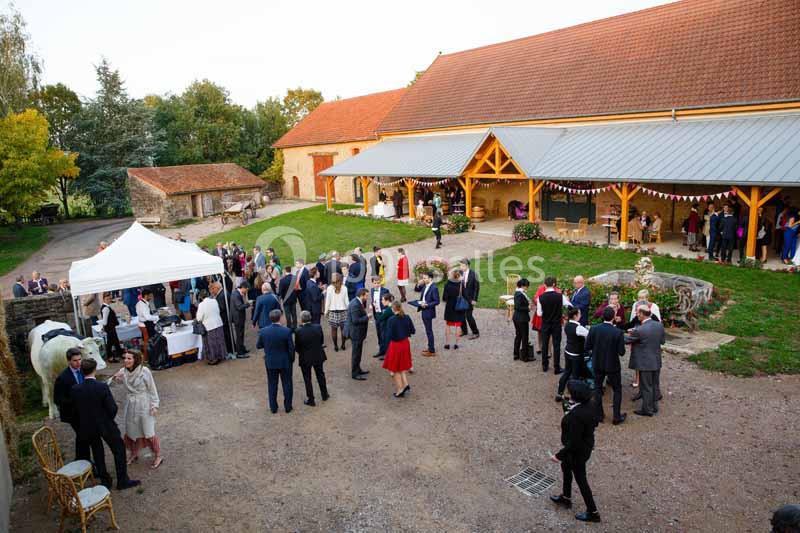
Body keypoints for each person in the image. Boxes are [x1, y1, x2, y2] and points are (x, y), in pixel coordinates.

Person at [71, 358, 140, 490]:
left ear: (81, 371)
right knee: (118, 449)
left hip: (89, 426)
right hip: (105, 424)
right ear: (94, 370)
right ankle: (122, 480)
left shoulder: (75, 389)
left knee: (98, 453)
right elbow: (112, 408)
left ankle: (105, 480)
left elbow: (75, 410)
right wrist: (107, 419)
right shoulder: (101, 387)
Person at [549, 380, 601, 523]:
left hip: (577, 451)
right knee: (565, 467)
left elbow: (574, 442)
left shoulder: (576, 416)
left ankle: (593, 512)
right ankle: (566, 497)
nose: (568, 395)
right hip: (585, 446)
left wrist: (559, 455)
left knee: (581, 479)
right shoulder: (589, 406)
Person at [109, 350, 163, 469]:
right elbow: (111, 385)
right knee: (131, 431)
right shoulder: (123, 372)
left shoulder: (144, 371)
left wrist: (155, 405)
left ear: (136, 360)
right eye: (125, 358)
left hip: (144, 404)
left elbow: (152, 389)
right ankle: (134, 453)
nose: (126, 361)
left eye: (129, 358)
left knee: (148, 431)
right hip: (130, 404)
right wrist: (114, 378)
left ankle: (158, 455)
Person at [587, 306, 627, 425]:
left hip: (598, 363)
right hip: (612, 365)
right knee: (617, 390)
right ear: (613, 317)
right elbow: (622, 352)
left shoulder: (594, 329)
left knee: (598, 389)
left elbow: (587, 346)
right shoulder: (618, 332)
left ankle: (599, 415)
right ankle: (616, 416)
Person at [628, 305, 665, 417]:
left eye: (637, 313)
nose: (636, 315)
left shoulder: (639, 330)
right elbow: (662, 341)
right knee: (654, 384)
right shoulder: (659, 326)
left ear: (642, 314)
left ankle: (647, 410)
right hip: (656, 360)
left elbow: (627, 340)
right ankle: (654, 407)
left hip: (645, 362)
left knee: (646, 386)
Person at [256, 309, 294, 414]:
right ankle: (288, 406)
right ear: (280, 318)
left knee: (272, 384)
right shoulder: (286, 331)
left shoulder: (263, 331)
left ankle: (273, 407)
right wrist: (291, 359)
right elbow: (291, 348)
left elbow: (258, 345)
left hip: (270, 361)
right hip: (284, 361)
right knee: (287, 384)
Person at [53, 348, 87, 460]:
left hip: (85, 410)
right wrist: (75, 400)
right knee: (83, 435)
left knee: (84, 436)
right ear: (68, 361)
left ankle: (82, 460)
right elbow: (58, 399)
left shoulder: (84, 370)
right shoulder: (62, 378)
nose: (78, 363)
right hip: (73, 413)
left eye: (80, 359)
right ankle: (83, 461)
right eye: (75, 360)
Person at [293, 310, 329, 406]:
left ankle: (311, 399)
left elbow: (297, 346)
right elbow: (321, 341)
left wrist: (301, 352)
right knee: (320, 375)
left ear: (301, 320)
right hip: (318, 355)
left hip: (305, 357)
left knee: (307, 378)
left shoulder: (298, 331)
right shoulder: (318, 327)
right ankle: (324, 394)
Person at [537, 276, 570, 374]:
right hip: (556, 324)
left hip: (546, 324)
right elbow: (569, 305)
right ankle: (556, 367)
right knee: (556, 345)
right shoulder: (560, 296)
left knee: (545, 345)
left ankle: (545, 365)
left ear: (545, 285)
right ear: (554, 284)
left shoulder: (541, 297)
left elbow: (539, 313)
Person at [383, 300, 415, 397]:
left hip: (396, 345)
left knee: (395, 368)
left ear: (393, 309)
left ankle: (400, 389)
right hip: (405, 343)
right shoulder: (407, 317)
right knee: (402, 366)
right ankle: (405, 384)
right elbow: (413, 331)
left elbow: (388, 335)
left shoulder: (391, 320)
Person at [556, 308, 589, 401]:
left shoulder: (567, 325)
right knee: (575, 376)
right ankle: (573, 397)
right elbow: (589, 335)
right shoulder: (579, 328)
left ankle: (559, 392)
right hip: (576, 354)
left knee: (567, 372)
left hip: (568, 351)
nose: (581, 316)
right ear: (575, 316)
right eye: (579, 314)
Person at [196, 287, 227, 365]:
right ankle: (221, 355)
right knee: (219, 341)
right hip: (218, 323)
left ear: (200, 297)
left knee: (211, 343)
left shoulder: (201, 305)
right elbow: (218, 310)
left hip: (209, 326)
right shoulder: (214, 300)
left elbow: (199, 318)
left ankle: (213, 359)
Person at [413, 270, 440, 357]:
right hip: (424, 309)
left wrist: (427, 304)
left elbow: (437, 301)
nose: (423, 279)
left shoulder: (434, 288)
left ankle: (431, 350)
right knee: (428, 330)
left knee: (429, 331)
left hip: (428, 311)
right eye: (423, 278)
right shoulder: (425, 285)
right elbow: (417, 289)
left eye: (425, 278)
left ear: (430, 278)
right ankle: (429, 347)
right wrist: (418, 283)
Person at [346, 288, 370, 380]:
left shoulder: (357, 302)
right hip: (356, 333)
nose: (367, 297)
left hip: (358, 333)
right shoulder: (355, 304)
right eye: (366, 296)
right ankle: (355, 373)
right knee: (356, 353)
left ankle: (358, 369)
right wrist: (367, 317)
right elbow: (355, 320)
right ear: (362, 295)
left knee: (358, 352)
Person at [324, 273, 349, 352]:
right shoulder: (344, 288)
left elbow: (328, 301)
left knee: (334, 330)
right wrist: (349, 310)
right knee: (343, 330)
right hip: (343, 311)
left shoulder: (329, 288)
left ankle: (335, 346)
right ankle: (343, 345)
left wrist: (325, 311)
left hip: (333, 311)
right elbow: (347, 301)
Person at [442, 269, 465, 350]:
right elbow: (464, 296)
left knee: (448, 325)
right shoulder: (461, 285)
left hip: (449, 308)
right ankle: (457, 344)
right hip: (459, 307)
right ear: (459, 276)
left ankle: (447, 344)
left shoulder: (447, 284)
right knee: (458, 326)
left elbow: (444, 298)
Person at [98, 292, 123, 363]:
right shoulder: (106, 308)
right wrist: (99, 323)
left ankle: (120, 354)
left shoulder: (106, 307)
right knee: (110, 343)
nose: (109, 300)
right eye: (107, 299)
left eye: (110, 299)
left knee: (115, 341)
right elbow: (105, 321)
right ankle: (110, 357)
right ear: (103, 299)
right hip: (110, 328)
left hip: (110, 327)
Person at [211, 281, 234, 359]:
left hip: (224, 319)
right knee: (228, 335)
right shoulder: (222, 293)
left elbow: (222, 308)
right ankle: (231, 349)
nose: (212, 290)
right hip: (225, 318)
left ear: (217, 288)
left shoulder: (221, 295)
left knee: (227, 335)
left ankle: (230, 350)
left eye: (213, 288)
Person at [369, 275, 390, 358]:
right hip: (376, 314)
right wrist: (371, 304)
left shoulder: (385, 290)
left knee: (384, 334)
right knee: (378, 333)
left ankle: (387, 353)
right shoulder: (372, 290)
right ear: (372, 283)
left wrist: (386, 309)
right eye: (375, 283)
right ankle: (381, 350)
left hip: (383, 314)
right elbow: (373, 300)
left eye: (378, 283)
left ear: (380, 282)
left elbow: (390, 299)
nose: (377, 285)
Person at [459, 259, 480, 340]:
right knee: (461, 315)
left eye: (462, 265)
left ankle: (475, 332)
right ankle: (464, 331)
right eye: (460, 265)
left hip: (470, 299)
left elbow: (476, 288)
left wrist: (474, 299)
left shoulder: (474, 274)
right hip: (461, 298)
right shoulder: (460, 273)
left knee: (469, 316)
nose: (460, 267)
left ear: (467, 266)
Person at [512, 278, 532, 361]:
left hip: (517, 318)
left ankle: (516, 354)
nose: (527, 288)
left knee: (518, 336)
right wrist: (528, 308)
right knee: (524, 337)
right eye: (527, 286)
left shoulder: (518, 293)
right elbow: (518, 306)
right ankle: (524, 356)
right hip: (522, 318)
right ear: (523, 286)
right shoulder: (520, 294)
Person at [230, 281, 250, 358]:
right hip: (237, 318)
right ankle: (239, 352)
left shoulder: (237, 293)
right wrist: (248, 304)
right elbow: (239, 307)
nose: (246, 291)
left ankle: (242, 348)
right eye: (246, 289)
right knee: (239, 335)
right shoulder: (236, 294)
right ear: (243, 288)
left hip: (239, 318)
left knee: (241, 334)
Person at [376, 292, 395, 358]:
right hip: (389, 328)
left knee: (388, 343)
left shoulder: (389, 309)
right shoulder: (390, 307)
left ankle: (388, 357)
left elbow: (380, 318)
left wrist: (377, 310)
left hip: (387, 328)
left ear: (387, 301)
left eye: (383, 300)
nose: (381, 301)